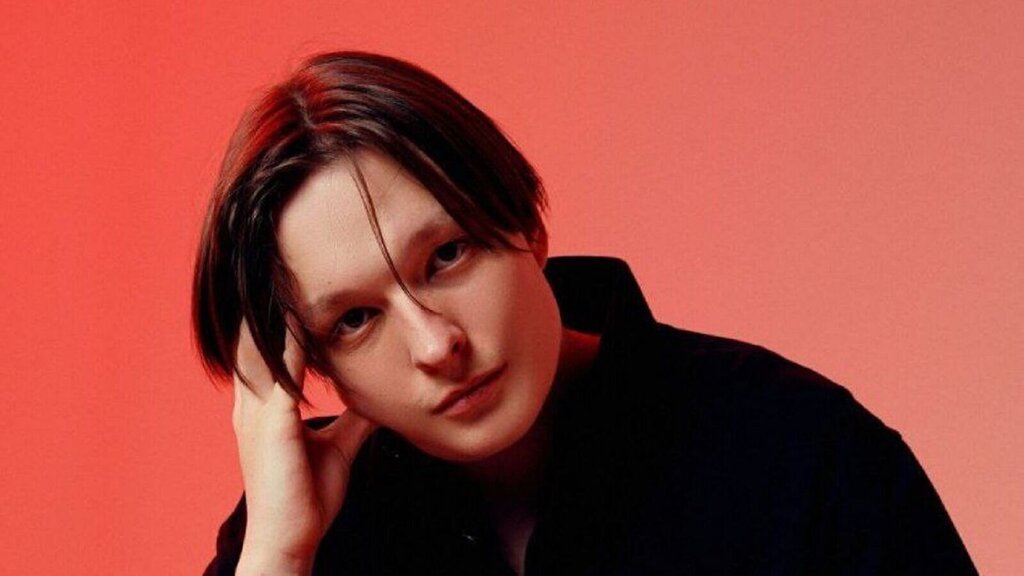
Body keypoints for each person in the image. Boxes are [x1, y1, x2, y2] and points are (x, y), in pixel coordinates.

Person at [193, 52, 977, 575]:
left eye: (447, 255)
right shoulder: (298, 537)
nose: (436, 344)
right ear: (315, 366)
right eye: (356, 320)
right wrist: (277, 558)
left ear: (526, 221)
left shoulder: (801, 453)